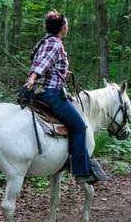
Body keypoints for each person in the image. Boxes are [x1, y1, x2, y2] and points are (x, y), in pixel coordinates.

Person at [22, 10, 105, 185]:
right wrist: (32, 78)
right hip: (51, 94)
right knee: (80, 127)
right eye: (66, 25)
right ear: (61, 28)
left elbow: (46, 63)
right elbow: (42, 64)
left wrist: (61, 72)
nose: (67, 27)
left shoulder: (43, 42)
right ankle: (82, 171)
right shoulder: (56, 43)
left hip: (38, 92)